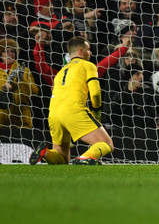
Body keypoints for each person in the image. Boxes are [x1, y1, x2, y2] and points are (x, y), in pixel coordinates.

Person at [29, 36, 114, 165]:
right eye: (88, 49)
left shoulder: (61, 72)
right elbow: (95, 93)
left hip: (54, 114)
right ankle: (85, 158)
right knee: (107, 144)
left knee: (62, 158)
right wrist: (96, 111)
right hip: (74, 110)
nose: (90, 53)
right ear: (81, 51)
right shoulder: (88, 65)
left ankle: (45, 153)